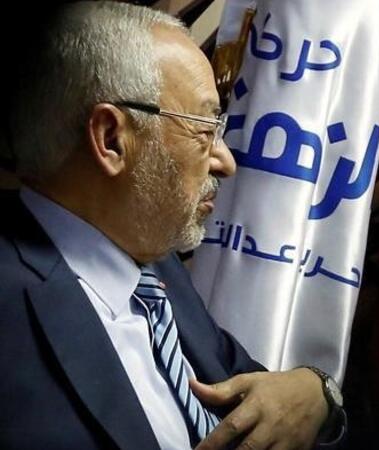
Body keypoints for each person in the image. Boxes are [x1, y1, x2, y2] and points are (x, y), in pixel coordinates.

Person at [0, 2, 344, 449]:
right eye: (205, 130)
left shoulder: (154, 270)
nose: (226, 162)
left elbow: (264, 398)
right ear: (111, 139)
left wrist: (318, 390)